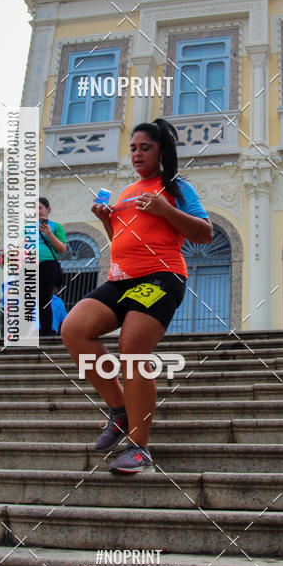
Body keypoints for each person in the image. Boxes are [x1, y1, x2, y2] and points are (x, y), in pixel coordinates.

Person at [61, 118, 212, 474]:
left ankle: (139, 447)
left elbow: (204, 233)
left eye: (145, 148)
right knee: (73, 329)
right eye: (133, 148)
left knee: (132, 346)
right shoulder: (128, 191)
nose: (137, 154)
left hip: (161, 276)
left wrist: (165, 209)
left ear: (161, 151)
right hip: (120, 279)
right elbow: (123, 241)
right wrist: (106, 219)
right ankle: (120, 410)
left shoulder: (176, 187)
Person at [38, 197, 67, 337]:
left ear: (47, 209)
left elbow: (62, 248)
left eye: (39, 208)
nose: (36, 211)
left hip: (47, 264)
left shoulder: (56, 227)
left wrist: (49, 234)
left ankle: (46, 333)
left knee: (44, 300)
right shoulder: (27, 227)